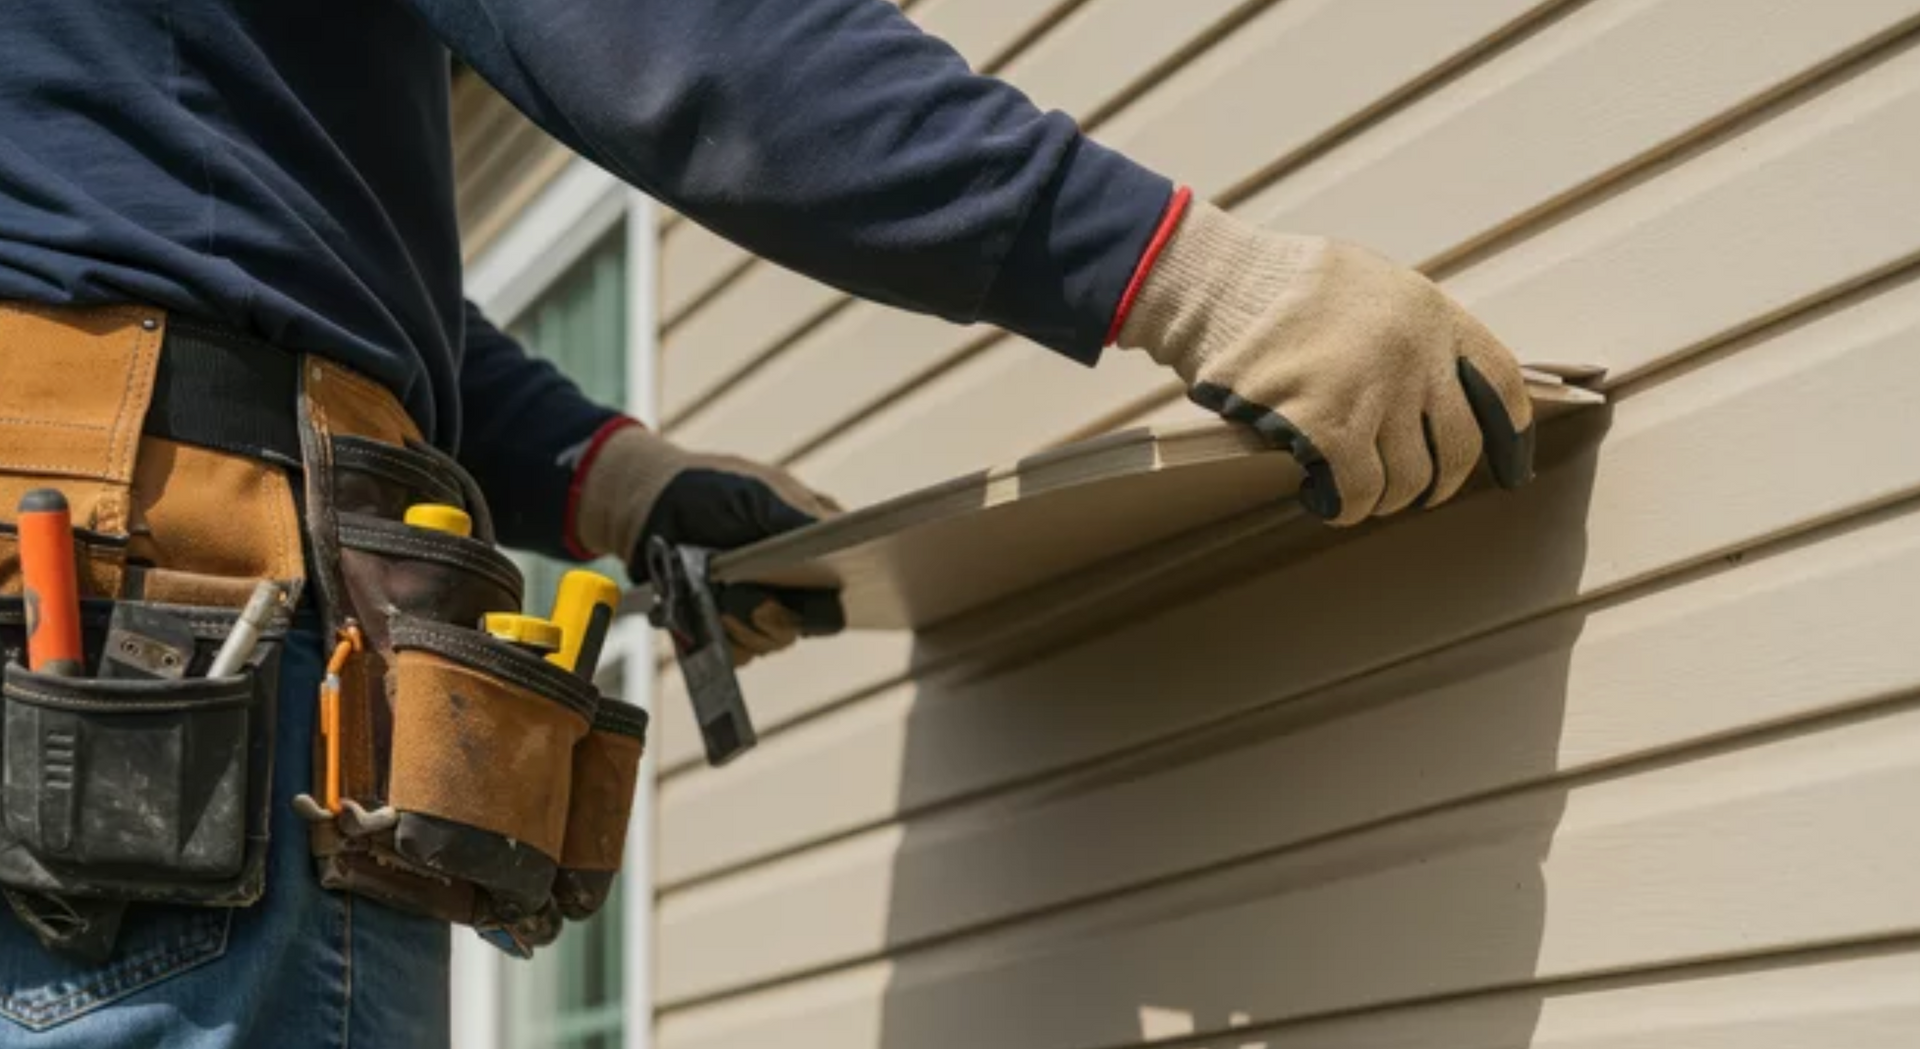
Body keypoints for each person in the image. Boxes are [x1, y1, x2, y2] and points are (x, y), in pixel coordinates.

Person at [0, 0, 1536, 1045]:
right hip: (158, 638)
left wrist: (617, 479)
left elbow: (215, 242)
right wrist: (1198, 278)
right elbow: (692, 48)